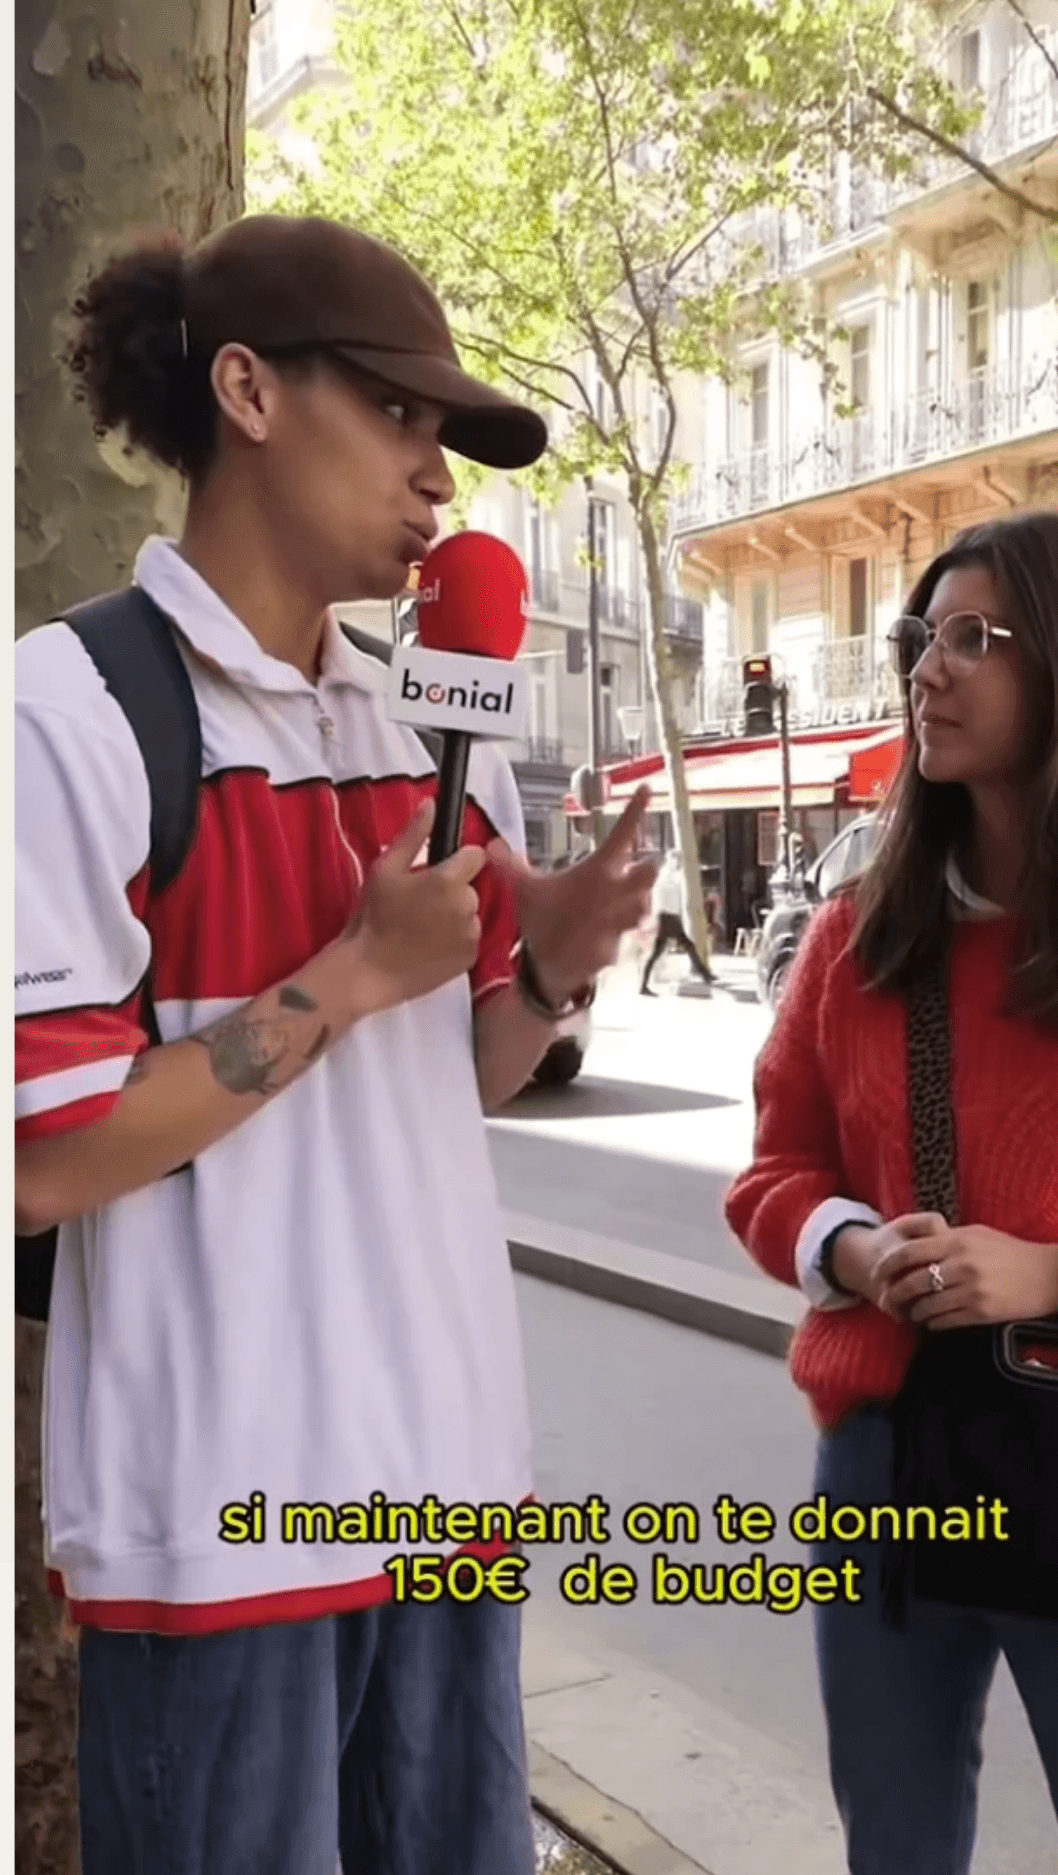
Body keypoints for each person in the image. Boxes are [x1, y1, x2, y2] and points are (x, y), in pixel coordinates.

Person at [14, 214, 657, 1875]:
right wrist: (351, 975)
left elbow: (456, 1088)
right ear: (246, 390)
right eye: (397, 413)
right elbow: (41, 1155)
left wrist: (549, 974)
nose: (435, 474)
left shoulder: (433, 724)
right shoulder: (68, 717)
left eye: (445, 436)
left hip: (449, 1504)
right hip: (223, 1539)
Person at [725, 509, 1058, 1875]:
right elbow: (773, 1173)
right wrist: (849, 1250)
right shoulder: (857, 931)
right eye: (922, 636)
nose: (926, 670)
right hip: (883, 1474)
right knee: (894, 1852)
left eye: (973, 638)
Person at [640, 850, 713, 994]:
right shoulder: (666, 875)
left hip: (668, 916)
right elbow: (664, 896)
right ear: (671, 860)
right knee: (686, 945)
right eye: (676, 859)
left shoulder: (670, 875)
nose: (678, 862)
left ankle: (643, 986)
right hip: (667, 917)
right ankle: (705, 974)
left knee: (658, 952)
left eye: (679, 859)